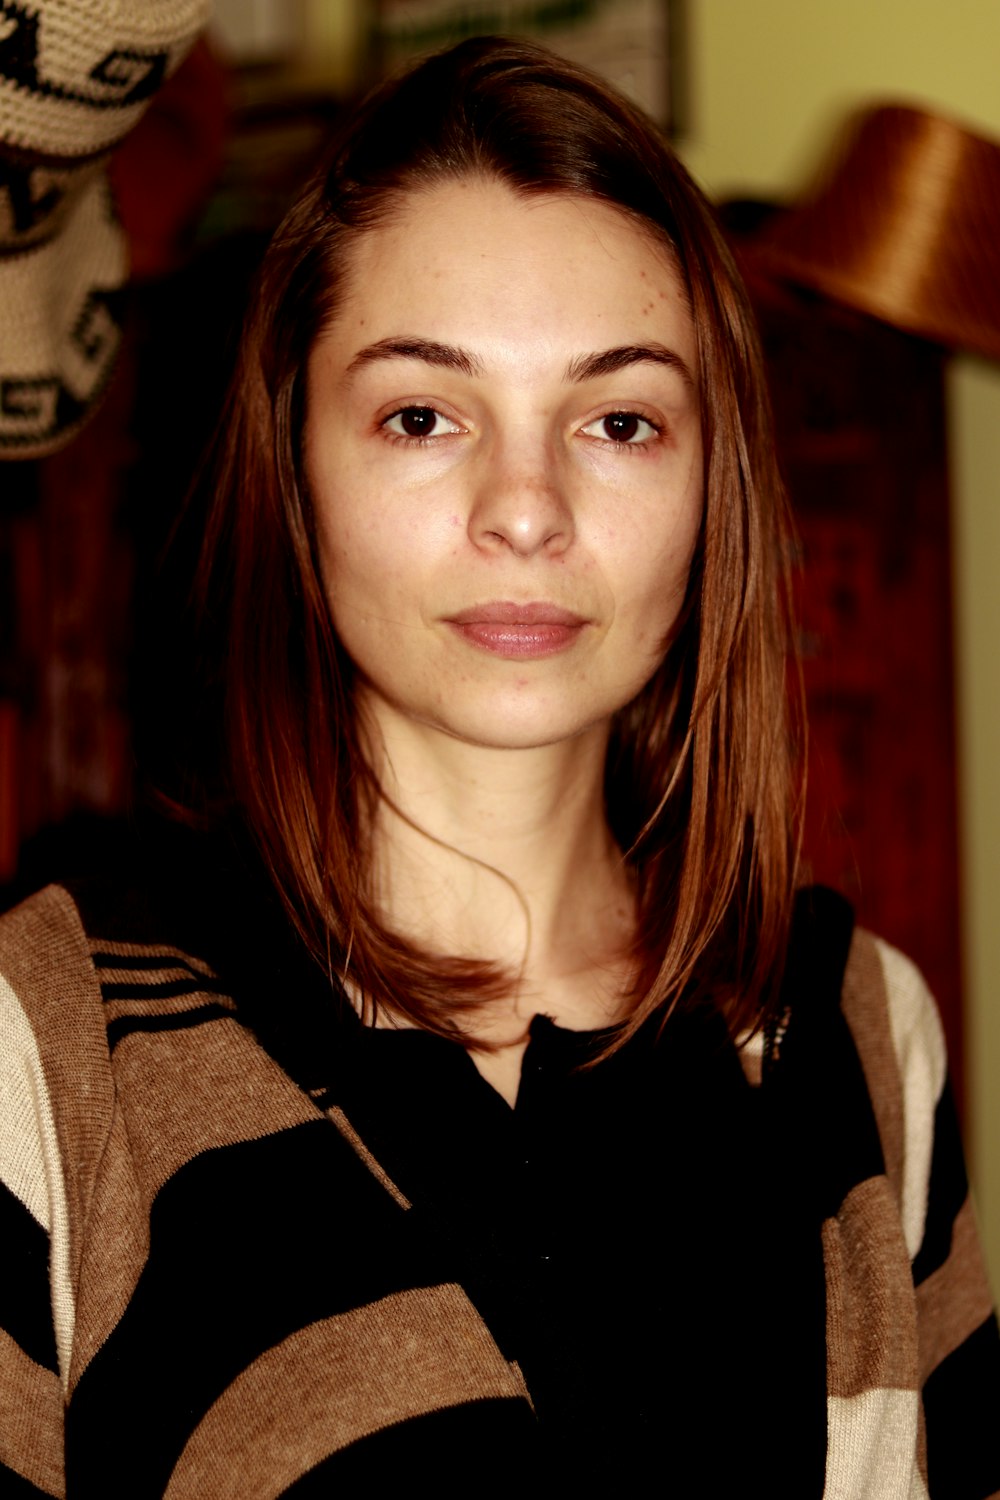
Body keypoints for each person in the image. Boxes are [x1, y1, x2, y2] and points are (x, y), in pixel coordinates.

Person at [0, 36, 997, 1498]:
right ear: (298, 469)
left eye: (618, 422)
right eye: (421, 414)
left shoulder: (860, 1031)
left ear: (712, 488)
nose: (524, 509)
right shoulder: (50, 1040)